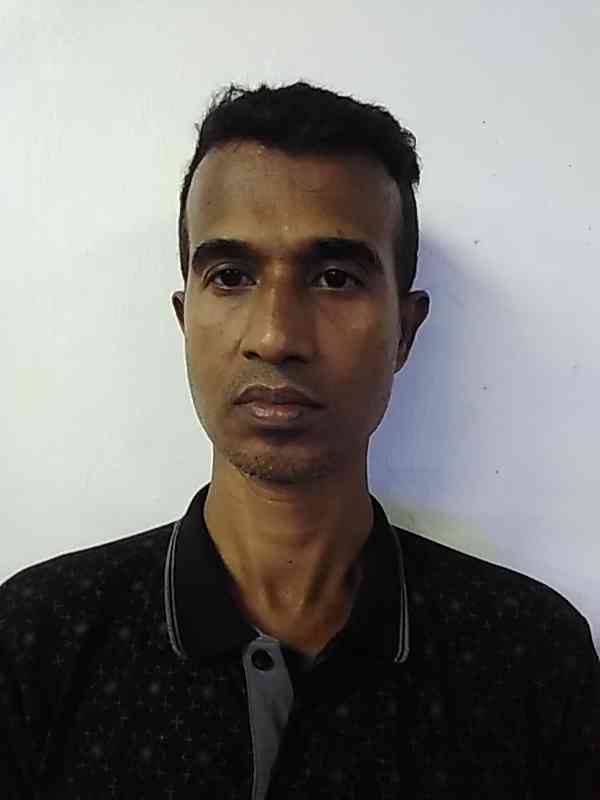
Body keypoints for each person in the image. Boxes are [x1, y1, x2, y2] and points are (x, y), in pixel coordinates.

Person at [1, 80, 598, 800]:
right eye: (231, 276)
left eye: (336, 278)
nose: (276, 335)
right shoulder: (38, 639)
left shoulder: (528, 658)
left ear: (405, 331)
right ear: (185, 319)